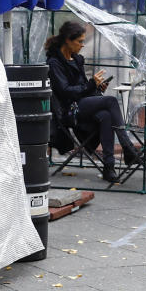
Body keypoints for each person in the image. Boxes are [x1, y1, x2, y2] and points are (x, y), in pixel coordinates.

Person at [45, 20, 140, 184]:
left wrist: (97, 88)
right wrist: (91, 85)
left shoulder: (77, 59)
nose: (82, 45)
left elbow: (83, 88)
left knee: (105, 115)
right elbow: (66, 92)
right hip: (69, 110)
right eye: (79, 41)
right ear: (68, 40)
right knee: (110, 102)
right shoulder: (54, 63)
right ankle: (128, 148)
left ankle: (109, 167)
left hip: (81, 104)